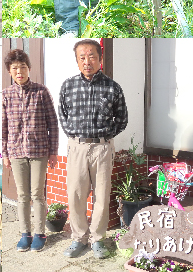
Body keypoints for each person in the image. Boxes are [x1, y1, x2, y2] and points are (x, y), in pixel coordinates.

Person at [58, 40, 128, 259]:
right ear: (77, 60)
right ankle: (79, 238)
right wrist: (74, 136)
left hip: (102, 148)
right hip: (77, 147)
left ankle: (97, 239)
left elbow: (122, 119)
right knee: (76, 195)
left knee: (101, 195)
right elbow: (63, 115)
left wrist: (105, 137)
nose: (87, 62)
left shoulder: (112, 87)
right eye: (82, 57)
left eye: (91, 57)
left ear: (100, 58)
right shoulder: (68, 86)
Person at [0, 48, 59, 253]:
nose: (19, 72)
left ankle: (40, 233)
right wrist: (5, 154)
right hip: (16, 152)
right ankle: (25, 233)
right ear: (9, 71)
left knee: (37, 194)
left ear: (29, 69)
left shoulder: (41, 91)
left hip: (39, 150)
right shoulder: (6, 95)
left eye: (23, 67)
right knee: (23, 195)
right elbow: (4, 127)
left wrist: (53, 151)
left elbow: (53, 122)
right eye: (15, 68)